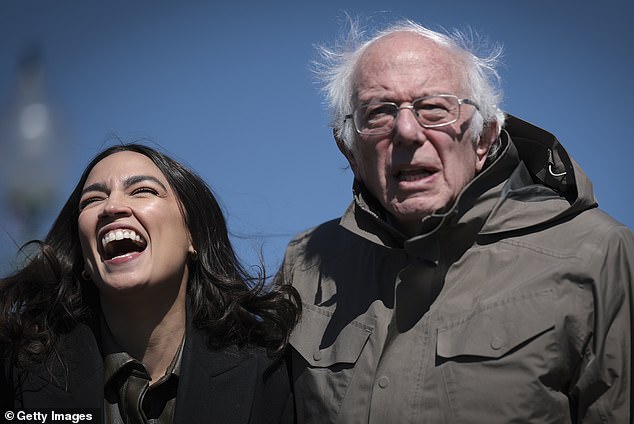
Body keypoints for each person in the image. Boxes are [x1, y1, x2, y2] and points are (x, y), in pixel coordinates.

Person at [277, 19, 633, 423]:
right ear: (350, 152)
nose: (407, 131)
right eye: (378, 112)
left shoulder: (597, 254)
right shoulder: (306, 265)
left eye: (433, 108)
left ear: (484, 138)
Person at [0, 143, 300, 423]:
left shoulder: (269, 372)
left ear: (193, 238)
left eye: (142, 190)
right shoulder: (18, 368)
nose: (111, 207)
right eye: (92, 199)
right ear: (84, 261)